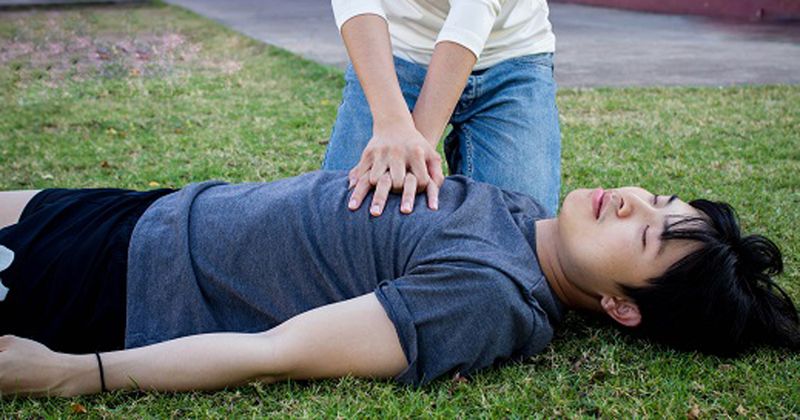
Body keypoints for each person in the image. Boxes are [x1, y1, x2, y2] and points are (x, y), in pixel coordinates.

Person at [0, 171, 797, 397]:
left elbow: (278, 351)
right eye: (655, 200)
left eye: (645, 233)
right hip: (146, 213)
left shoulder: (491, 295)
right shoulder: (523, 213)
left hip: (119, 282)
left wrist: (76, 374)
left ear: (622, 306)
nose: (629, 202)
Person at [323, 0, 562, 217]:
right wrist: (391, 123)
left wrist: (413, 156)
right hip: (396, 49)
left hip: (510, 53)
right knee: (346, 218)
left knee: (517, 229)